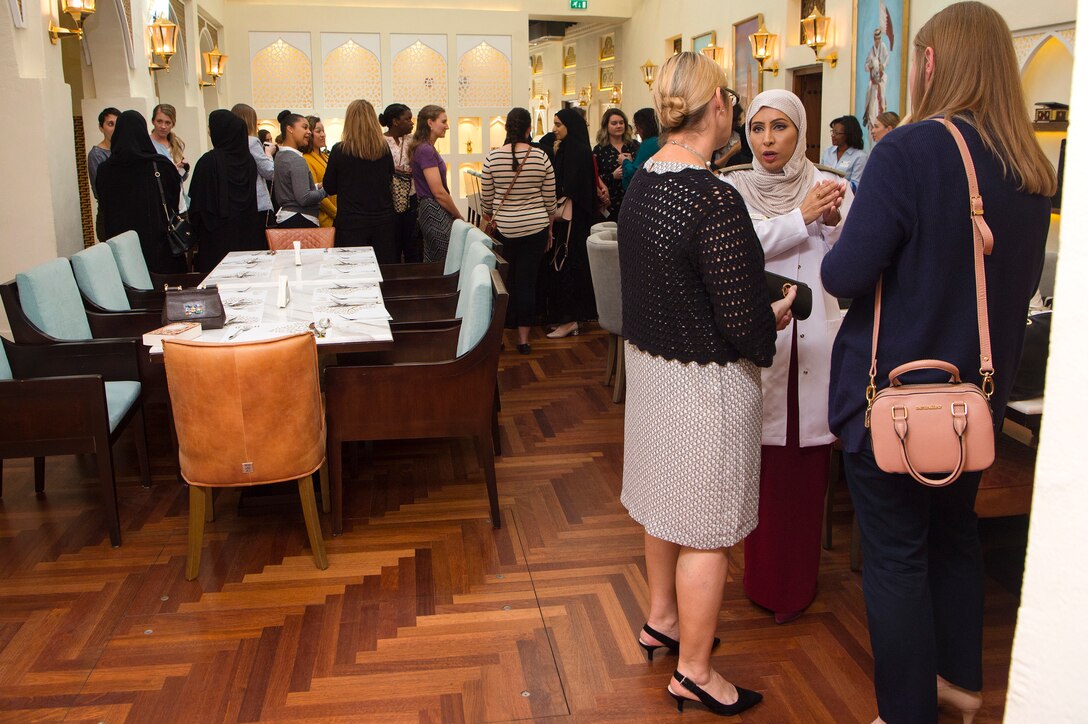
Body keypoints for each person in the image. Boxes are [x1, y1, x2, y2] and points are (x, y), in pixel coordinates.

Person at [821, 3, 1055, 722]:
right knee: (956, 537)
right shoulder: (1031, 167)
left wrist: (842, 231)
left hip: (896, 399)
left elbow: (844, 276)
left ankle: (906, 713)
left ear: (928, 62)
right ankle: (960, 684)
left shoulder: (910, 150)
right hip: (974, 403)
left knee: (896, 557)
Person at [618, 51, 795, 719]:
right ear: (718, 105)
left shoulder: (643, 180)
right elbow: (744, 325)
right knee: (708, 530)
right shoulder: (712, 197)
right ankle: (693, 672)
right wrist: (773, 314)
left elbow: (667, 283)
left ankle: (662, 618)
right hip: (704, 389)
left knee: (664, 506)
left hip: (651, 373)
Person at [722, 89, 851, 625]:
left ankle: (797, 586)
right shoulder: (733, 188)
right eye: (757, 128)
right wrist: (800, 218)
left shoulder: (830, 185)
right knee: (761, 473)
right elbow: (738, 251)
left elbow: (851, 264)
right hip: (759, 346)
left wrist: (835, 221)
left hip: (815, 346)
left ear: (800, 132)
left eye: (780, 127)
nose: (767, 140)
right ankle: (762, 581)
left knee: (804, 475)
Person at [480, 107, 557, 354]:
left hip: (503, 228)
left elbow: (486, 201)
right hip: (535, 227)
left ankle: (499, 336)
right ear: (528, 129)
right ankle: (524, 340)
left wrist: (491, 215)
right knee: (527, 283)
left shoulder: (492, 158)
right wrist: (549, 228)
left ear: (506, 128)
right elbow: (550, 201)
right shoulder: (541, 157)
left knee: (502, 283)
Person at [95, 110, 186, 274]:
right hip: (159, 250)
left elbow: (103, 204)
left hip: (123, 252)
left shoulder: (104, 171)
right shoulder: (161, 166)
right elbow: (175, 203)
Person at [543, 108, 597, 339]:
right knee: (564, 264)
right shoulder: (571, 148)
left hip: (574, 219)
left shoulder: (576, 151)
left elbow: (573, 187)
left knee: (569, 265)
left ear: (570, 126)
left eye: (558, 124)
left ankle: (571, 319)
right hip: (571, 218)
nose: (554, 129)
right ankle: (567, 318)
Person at [188, 110, 261, 274]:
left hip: (216, 238)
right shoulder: (249, 161)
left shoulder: (208, 161)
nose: (209, 132)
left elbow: (198, 203)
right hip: (246, 233)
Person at [322, 100, 397, 260]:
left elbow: (329, 187)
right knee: (382, 269)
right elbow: (390, 178)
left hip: (350, 222)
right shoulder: (384, 149)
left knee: (352, 270)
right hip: (383, 222)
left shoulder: (339, 150)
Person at [410, 105, 462, 262]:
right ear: (430, 123)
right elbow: (438, 192)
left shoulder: (425, 148)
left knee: (436, 259)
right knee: (444, 261)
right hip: (433, 209)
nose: (447, 126)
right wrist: (458, 215)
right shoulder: (426, 150)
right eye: (443, 121)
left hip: (430, 209)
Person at [381, 103, 421, 263]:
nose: (412, 123)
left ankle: (414, 276)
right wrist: (393, 170)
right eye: (408, 119)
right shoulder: (380, 141)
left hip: (411, 195)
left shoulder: (413, 140)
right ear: (395, 121)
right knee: (393, 243)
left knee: (411, 241)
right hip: (389, 198)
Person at [273, 113, 327, 229]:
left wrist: (317, 186)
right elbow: (304, 198)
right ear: (290, 129)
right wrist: (327, 189)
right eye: (305, 127)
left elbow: (293, 189)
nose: (309, 132)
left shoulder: (280, 155)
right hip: (300, 219)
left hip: (289, 218)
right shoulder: (296, 159)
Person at [231, 103, 276, 228]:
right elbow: (269, 171)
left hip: (238, 202)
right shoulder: (252, 142)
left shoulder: (231, 143)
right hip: (258, 202)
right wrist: (269, 154)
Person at [593, 108, 639, 218]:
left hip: (633, 198)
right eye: (614, 123)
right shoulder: (599, 149)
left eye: (621, 123)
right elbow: (594, 176)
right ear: (606, 126)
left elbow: (642, 168)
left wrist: (630, 163)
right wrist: (612, 176)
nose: (618, 126)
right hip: (611, 201)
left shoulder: (634, 145)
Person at [150, 103, 190, 212]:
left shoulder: (176, 143)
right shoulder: (148, 145)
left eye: (167, 123)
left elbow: (181, 178)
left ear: (173, 124)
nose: (163, 126)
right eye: (159, 121)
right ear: (153, 121)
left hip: (180, 203)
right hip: (160, 205)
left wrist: (183, 168)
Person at [88, 106, 120, 241]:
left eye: (117, 124)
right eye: (110, 124)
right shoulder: (96, 154)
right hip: (108, 216)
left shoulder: (124, 150)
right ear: (101, 127)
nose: (115, 128)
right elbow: (99, 190)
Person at [303, 115, 337, 228]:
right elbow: (314, 192)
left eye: (323, 131)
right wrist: (336, 213)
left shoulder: (325, 156)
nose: (323, 134)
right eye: (318, 131)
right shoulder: (306, 159)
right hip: (325, 219)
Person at [821, 115, 867, 190]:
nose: (833, 135)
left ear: (848, 135)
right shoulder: (827, 151)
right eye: (832, 132)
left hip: (846, 195)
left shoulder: (860, 156)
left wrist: (835, 185)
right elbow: (821, 175)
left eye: (836, 133)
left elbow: (856, 185)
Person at [711, 96, 754, 170]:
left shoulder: (741, 133)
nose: (738, 123)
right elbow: (711, 167)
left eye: (739, 119)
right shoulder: (712, 138)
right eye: (735, 120)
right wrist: (732, 151)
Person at [621, 107, 659, 190]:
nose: (636, 132)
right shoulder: (661, 140)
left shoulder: (649, 144)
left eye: (637, 127)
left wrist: (625, 161)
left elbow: (634, 175)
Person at [864, 27, 892, 133]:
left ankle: (883, 115)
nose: (877, 41)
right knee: (869, 97)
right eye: (876, 39)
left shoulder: (883, 46)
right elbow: (866, 66)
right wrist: (870, 65)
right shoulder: (871, 50)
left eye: (879, 38)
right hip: (873, 81)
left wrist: (882, 65)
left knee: (882, 98)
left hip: (881, 79)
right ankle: (867, 117)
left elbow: (887, 57)